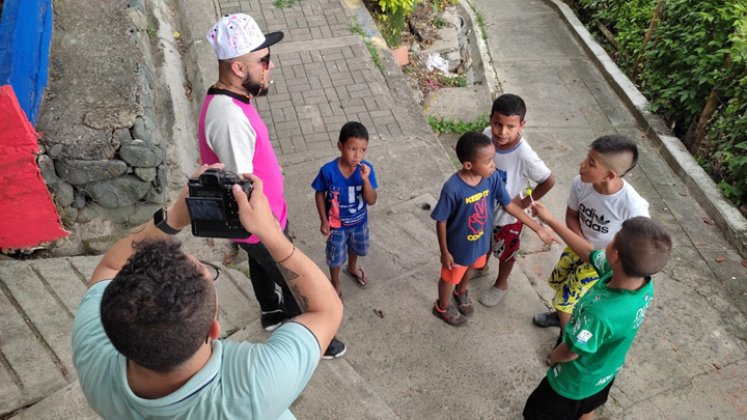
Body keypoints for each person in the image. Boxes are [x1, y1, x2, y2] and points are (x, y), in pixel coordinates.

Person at [72, 165, 344, 419]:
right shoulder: (255, 386)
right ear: (214, 330)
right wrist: (271, 232)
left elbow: (110, 265)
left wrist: (174, 217)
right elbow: (327, 309)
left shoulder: (93, 361)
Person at [197, 13, 346, 357]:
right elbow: (241, 188)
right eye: (263, 60)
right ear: (237, 68)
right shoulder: (229, 117)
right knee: (293, 278)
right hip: (261, 226)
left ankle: (271, 311)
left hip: (266, 221)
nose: (270, 66)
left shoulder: (236, 98)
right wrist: (273, 236)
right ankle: (314, 336)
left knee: (263, 267)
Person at [523, 203, 671, 420]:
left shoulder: (601, 314)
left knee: (536, 413)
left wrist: (554, 356)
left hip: (571, 383)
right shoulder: (642, 283)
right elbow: (588, 253)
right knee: (587, 409)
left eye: (614, 237)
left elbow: (572, 350)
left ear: (615, 255)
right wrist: (552, 220)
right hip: (604, 373)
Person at [430, 132, 557, 326]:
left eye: (493, 159)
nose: (494, 165)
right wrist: (444, 251)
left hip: (481, 240)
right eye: (489, 161)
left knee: (472, 266)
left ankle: (461, 291)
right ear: (468, 165)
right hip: (457, 247)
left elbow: (509, 205)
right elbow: (441, 221)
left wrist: (537, 227)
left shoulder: (492, 178)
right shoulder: (452, 188)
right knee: (449, 277)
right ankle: (442, 305)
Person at [532, 135, 649, 335]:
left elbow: (639, 251)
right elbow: (572, 216)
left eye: (591, 163)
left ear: (610, 175)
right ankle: (563, 315)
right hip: (577, 246)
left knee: (565, 300)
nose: (582, 164)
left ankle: (567, 336)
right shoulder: (581, 183)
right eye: (587, 157)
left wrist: (595, 254)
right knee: (561, 283)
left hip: (602, 261)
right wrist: (582, 244)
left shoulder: (634, 207)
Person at [476, 93, 555, 307]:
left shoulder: (525, 155)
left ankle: (501, 284)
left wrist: (524, 201)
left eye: (510, 126)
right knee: (484, 242)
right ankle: (481, 266)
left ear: (522, 125)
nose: (502, 132)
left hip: (509, 218)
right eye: (497, 124)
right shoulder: (486, 136)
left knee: (506, 253)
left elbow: (548, 180)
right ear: (490, 119)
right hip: (485, 208)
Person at [312, 121, 378, 295]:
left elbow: (371, 200)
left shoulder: (367, 170)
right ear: (340, 146)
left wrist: (365, 180)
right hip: (336, 225)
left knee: (356, 247)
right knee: (334, 257)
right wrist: (323, 220)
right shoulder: (328, 171)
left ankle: (352, 267)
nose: (358, 155)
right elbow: (319, 194)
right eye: (352, 149)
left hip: (359, 222)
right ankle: (335, 282)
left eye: (363, 150)